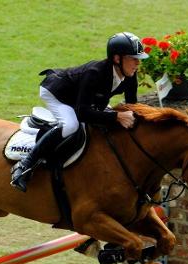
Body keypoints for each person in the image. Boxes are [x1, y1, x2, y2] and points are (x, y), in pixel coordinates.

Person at [10, 32, 149, 192]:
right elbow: (82, 113)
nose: (138, 63)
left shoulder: (130, 75)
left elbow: (132, 105)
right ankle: (24, 165)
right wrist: (116, 116)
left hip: (81, 98)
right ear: (117, 59)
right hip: (57, 93)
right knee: (71, 125)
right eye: (134, 58)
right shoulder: (95, 73)